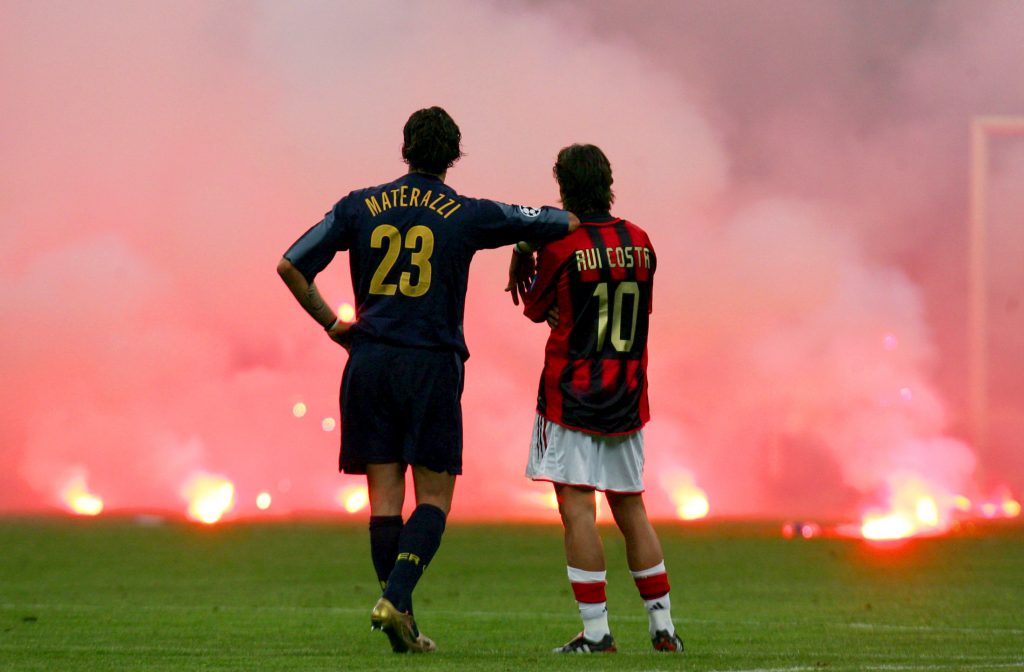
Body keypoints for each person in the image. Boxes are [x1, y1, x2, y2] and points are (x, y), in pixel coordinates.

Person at [277, 107, 578, 654]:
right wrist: (522, 245)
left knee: (385, 501)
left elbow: (291, 264)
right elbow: (558, 221)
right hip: (431, 365)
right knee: (435, 497)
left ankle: (404, 624)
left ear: (406, 149)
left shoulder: (359, 205)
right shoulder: (466, 213)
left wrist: (334, 325)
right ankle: (395, 600)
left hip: (368, 363)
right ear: (453, 156)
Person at [512, 144, 684, 653]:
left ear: (563, 188)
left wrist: (526, 251)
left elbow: (535, 306)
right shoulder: (641, 241)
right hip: (628, 394)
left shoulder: (560, 246)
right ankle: (663, 627)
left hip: (572, 394)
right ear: (608, 182)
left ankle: (596, 633)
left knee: (577, 509)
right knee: (632, 506)